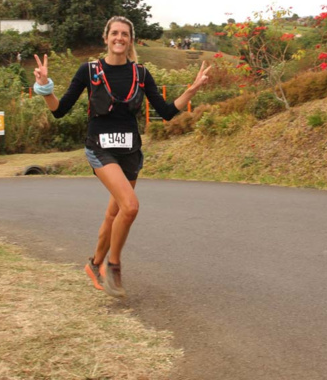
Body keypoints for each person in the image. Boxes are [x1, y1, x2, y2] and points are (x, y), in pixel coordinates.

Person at [33, 16, 211, 298]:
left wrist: (192, 89)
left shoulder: (140, 74)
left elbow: (165, 111)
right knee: (130, 207)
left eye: (124, 34)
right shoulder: (88, 71)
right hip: (99, 147)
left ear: (130, 40)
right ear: (106, 38)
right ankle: (113, 266)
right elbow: (59, 110)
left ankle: (94, 264)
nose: (119, 38)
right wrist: (45, 87)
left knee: (114, 213)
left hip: (130, 151)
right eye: (114, 33)